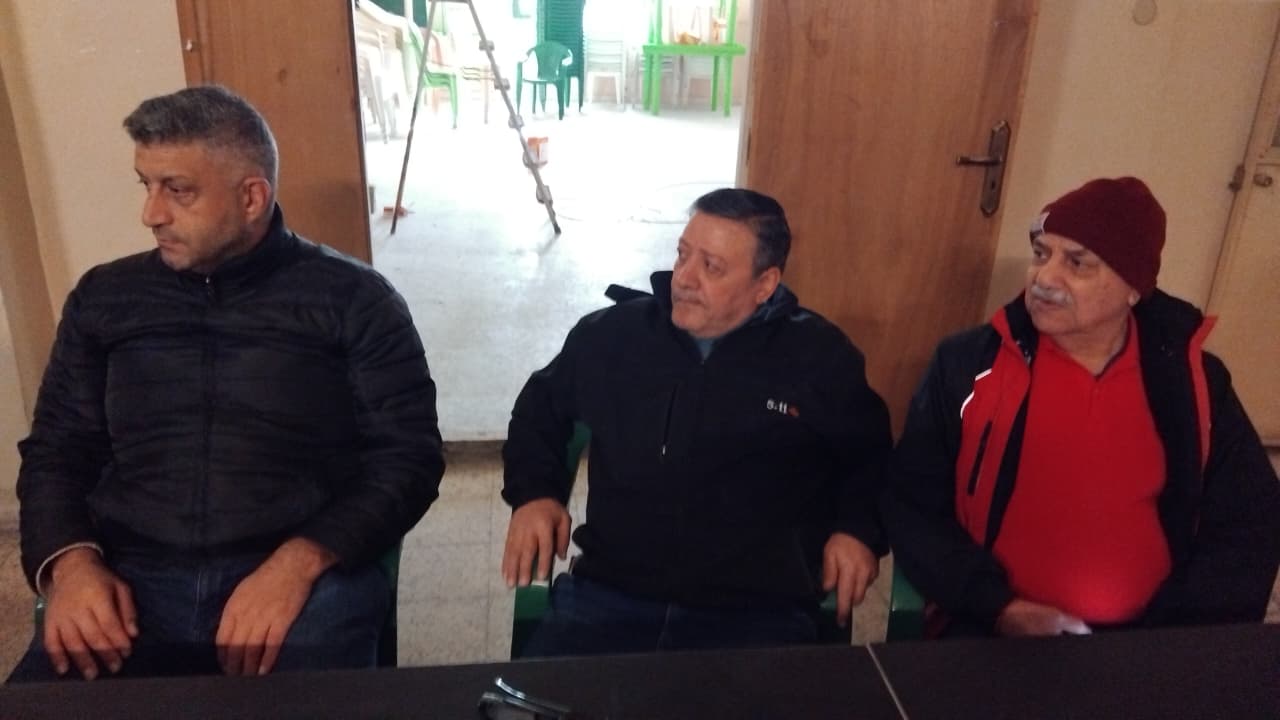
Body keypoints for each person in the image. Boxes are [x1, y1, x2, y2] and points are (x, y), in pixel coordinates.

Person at [10, 85, 444, 681]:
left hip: (299, 573)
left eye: (178, 190)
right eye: (146, 185)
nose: (151, 213)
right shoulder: (105, 299)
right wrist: (71, 563)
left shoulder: (354, 301)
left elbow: (408, 458)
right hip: (130, 574)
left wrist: (301, 561)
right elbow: (57, 448)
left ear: (252, 197)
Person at [500, 188, 892, 656]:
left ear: (765, 284)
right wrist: (534, 494)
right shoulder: (615, 337)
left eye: (712, 267)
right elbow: (539, 410)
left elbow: (870, 456)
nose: (683, 278)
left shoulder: (819, 358)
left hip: (757, 611)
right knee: (533, 695)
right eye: (683, 254)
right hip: (611, 593)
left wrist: (857, 529)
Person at [884, 177, 1280, 637]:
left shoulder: (1192, 382)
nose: (1044, 279)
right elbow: (912, 502)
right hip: (991, 627)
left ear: (1133, 288)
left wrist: (1172, 638)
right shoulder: (968, 365)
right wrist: (998, 606)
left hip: (1150, 640)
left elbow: (1250, 520)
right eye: (1041, 254)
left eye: (1077, 263)